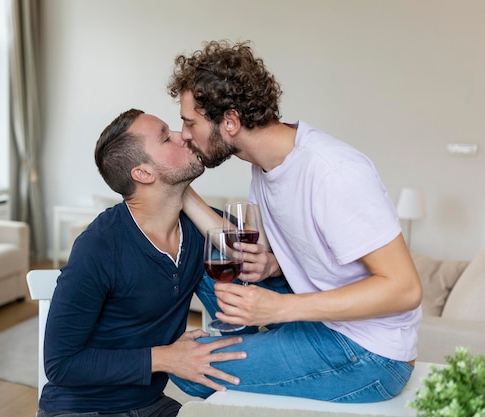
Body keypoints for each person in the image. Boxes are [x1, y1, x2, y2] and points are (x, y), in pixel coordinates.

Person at [165, 40, 423, 403]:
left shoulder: (333, 171)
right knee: (203, 250)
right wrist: (271, 265)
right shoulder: (264, 165)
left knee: (193, 368)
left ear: (231, 121)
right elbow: (306, 256)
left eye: (189, 122)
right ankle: (266, 346)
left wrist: (279, 309)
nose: (184, 134)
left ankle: (265, 345)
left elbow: (405, 288)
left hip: (369, 353)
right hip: (319, 316)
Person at [37, 109, 256, 417]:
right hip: (82, 409)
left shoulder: (193, 230)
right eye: (167, 137)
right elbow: (60, 364)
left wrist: (183, 193)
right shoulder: (99, 245)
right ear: (142, 173)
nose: (185, 136)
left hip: (150, 406)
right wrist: (165, 358)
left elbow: (248, 251)